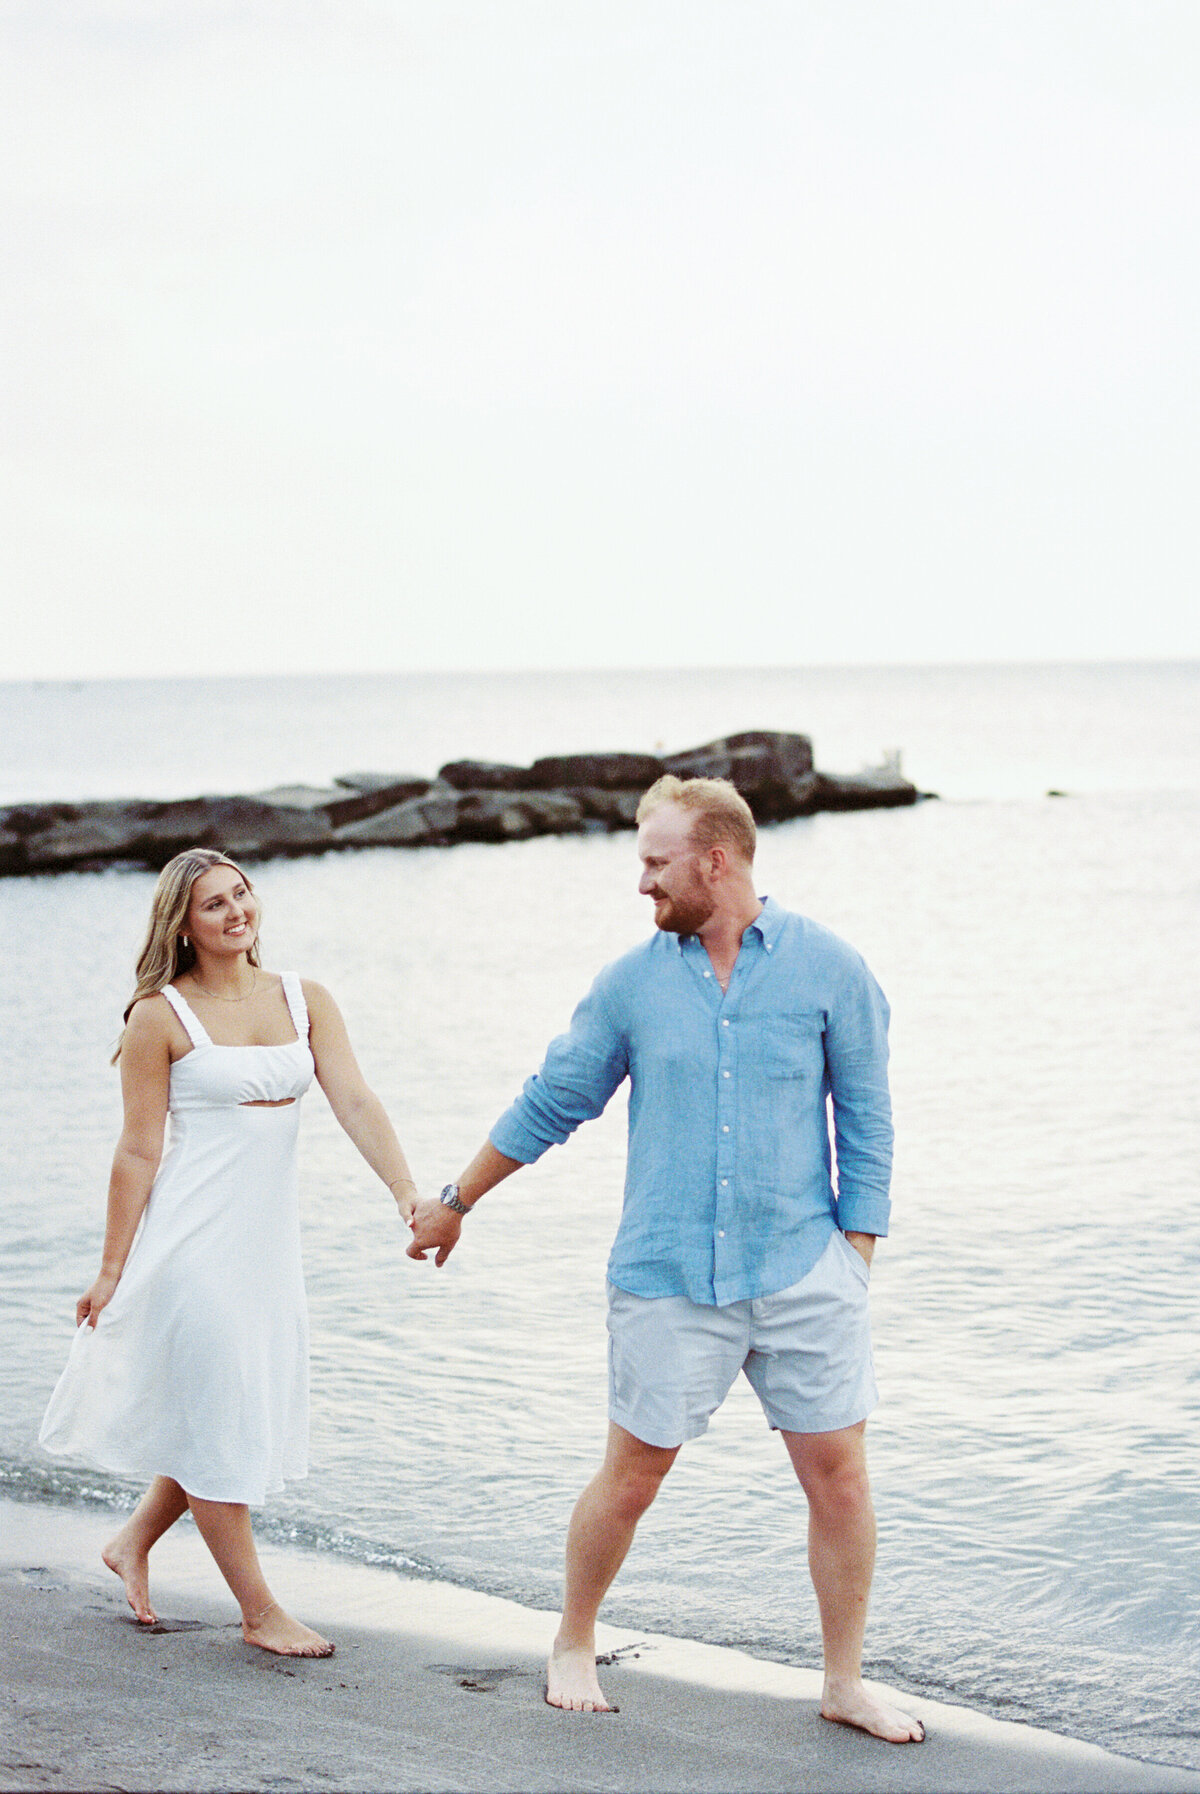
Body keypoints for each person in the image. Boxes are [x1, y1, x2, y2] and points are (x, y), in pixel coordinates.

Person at [407, 775, 924, 1743]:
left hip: (804, 1270)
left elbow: (868, 1117)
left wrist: (855, 1256)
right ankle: (572, 1639)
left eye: (655, 862)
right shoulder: (632, 983)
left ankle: (844, 1681)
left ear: (714, 860)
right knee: (633, 1476)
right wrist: (455, 1200)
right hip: (667, 1274)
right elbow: (552, 1100)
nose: (641, 881)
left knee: (841, 1479)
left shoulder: (832, 970)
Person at [40, 847, 418, 1659]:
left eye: (241, 893)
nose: (235, 911)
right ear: (183, 922)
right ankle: (258, 1611)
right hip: (193, 1249)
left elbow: (353, 1098)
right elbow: (137, 1152)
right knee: (219, 1420)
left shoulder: (305, 999)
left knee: (224, 1410)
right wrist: (111, 1269)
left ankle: (131, 1542)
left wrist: (403, 1192)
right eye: (213, 904)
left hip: (267, 1254)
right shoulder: (159, 1017)